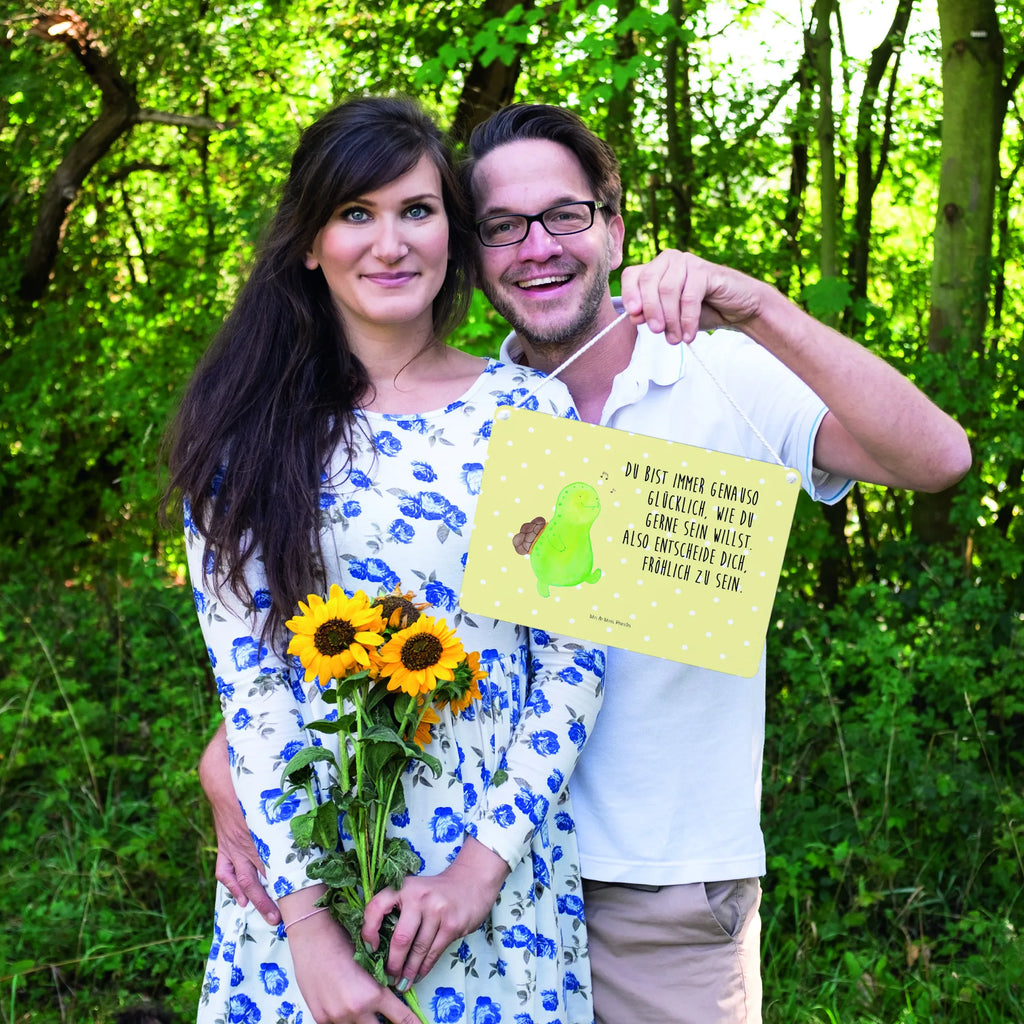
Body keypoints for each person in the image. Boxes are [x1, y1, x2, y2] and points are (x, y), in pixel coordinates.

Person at [202, 102, 972, 1024]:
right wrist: (235, 770)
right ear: (474, 251)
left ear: (612, 226)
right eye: (502, 226)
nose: (536, 247)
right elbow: (331, 633)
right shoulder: (464, 415)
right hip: (429, 876)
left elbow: (938, 461)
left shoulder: (713, 372)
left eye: (565, 215)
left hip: (655, 887)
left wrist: (760, 306)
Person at [165, 97, 609, 1024]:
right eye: (355, 214)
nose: (390, 242)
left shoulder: (531, 413)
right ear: (309, 244)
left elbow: (573, 664)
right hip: (303, 889)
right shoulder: (242, 438)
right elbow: (252, 693)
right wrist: (312, 937)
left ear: (452, 228)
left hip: (492, 889)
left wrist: (477, 873)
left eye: (416, 210)